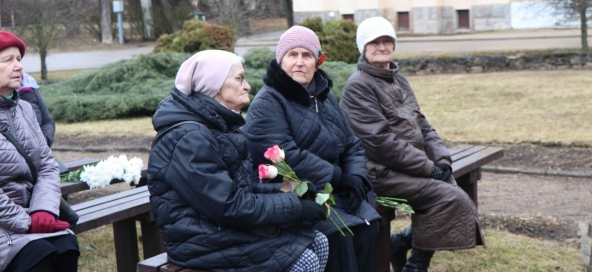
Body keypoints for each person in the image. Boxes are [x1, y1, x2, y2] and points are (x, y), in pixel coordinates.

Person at [148, 50, 328, 272]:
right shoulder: (189, 138)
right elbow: (228, 205)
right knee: (305, 261)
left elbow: (239, 191)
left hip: (222, 230)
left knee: (319, 241)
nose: (248, 86)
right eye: (240, 78)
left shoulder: (217, 125)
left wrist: (293, 192)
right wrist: (295, 207)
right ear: (214, 86)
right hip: (201, 242)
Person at [339, 17, 484, 272]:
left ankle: (401, 243)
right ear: (363, 47)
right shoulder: (358, 87)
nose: (382, 47)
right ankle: (414, 266)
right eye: (375, 42)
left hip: (406, 167)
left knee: (451, 188)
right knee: (449, 196)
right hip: (378, 173)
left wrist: (441, 160)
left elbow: (423, 125)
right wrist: (429, 169)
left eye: (387, 41)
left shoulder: (398, 79)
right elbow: (380, 143)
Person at [243, 26, 381, 272]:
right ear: (280, 60)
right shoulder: (268, 101)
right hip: (290, 192)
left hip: (333, 190)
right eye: (292, 55)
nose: (299, 62)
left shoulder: (325, 97)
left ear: (317, 61)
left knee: (368, 224)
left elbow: (351, 144)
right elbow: (285, 156)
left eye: (306, 55)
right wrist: (338, 177)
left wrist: (356, 177)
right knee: (338, 234)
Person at [0, 31, 79, 272]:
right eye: (8, 60)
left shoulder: (24, 109)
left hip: (32, 212)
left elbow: (46, 164)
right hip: (8, 223)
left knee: (67, 245)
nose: (18, 67)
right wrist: (28, 223)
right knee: (39, 255)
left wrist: (43, 210)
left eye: (19, 59)